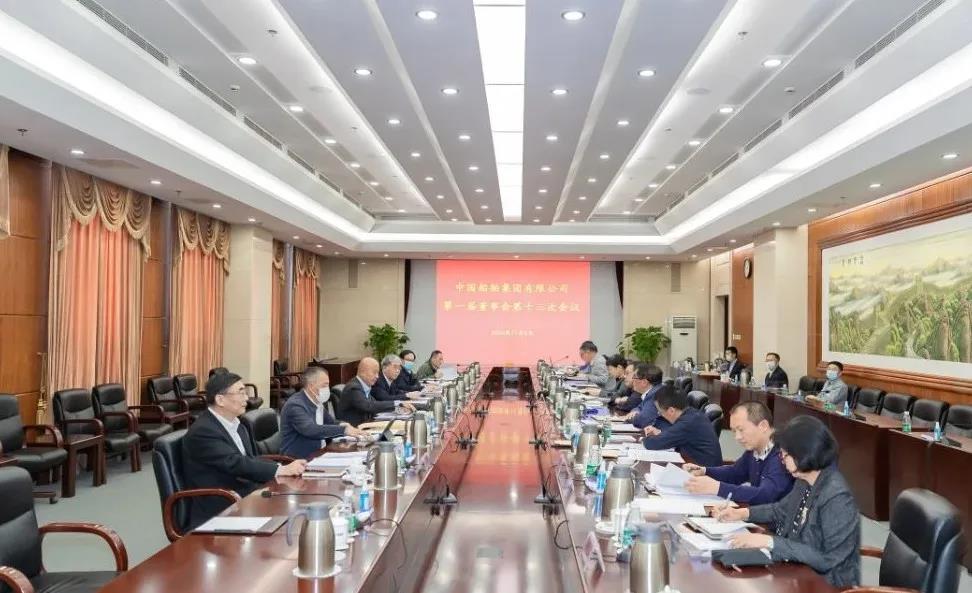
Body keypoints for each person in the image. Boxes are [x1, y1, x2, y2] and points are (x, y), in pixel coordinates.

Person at [715, 415, 860, 588]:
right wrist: (741, 513)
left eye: (785, 455)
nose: (782, 460)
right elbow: (780, 510)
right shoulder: (804, 479)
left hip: (826, 585)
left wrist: (769, 542)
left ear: (804, 453)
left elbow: (830, 560)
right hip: (794, 570)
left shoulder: (837, 497)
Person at [182, 371, 307, 527]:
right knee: (287, 521)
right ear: (220, 400)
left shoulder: (239, 424)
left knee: (295, 509)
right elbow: (235, 463)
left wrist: (281, 470)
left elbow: (251, 459)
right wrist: (281, 470)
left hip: (244, 495)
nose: (246, 398)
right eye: (241, 393)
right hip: (221, 506)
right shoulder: (203, 431)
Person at [684, 402, 794, 504]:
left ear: (763, 426)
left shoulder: (783, 455)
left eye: (741, 429)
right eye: (734, 431)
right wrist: (704, 471)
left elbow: (765, 495)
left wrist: (717, 488)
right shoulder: (754, 449)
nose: (737, 437)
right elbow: (735, 473)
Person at [280, 367, 369, 459]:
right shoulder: (295, 405)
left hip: (320, 453)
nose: (327, 389)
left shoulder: (316, 401)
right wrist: (343, 430)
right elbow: (310, 429)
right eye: (324, 385)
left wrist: (343, 424)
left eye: (328, 385)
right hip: (298, 460)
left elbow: (330, 422)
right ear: (311, 386)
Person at [641, 387, 722, 467]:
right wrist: (660, 433)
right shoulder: (692, 414)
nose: (660, 414)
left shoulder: (687, 423)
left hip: (703, 472)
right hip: (696, 465)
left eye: (660, 412)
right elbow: (677, 434)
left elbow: (651, 443)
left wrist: (644, 439)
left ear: (671, 411)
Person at [336, 357, 415, 426]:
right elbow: (368, 406)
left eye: (377, 373)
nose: (377, 376)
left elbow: (376, 403)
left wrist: (398, 409)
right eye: (374, 372)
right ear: (363, 371)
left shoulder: (364, 386)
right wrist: (397, 403)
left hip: (364, 426)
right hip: (352, 430)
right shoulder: (353, 387)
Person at [625, 364, 668, 430]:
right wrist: (636, 411)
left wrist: (632, 417)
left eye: (634, 377)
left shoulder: (655, 394)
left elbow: (642, 421)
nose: (632, 380)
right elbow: (639, 407)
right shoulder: (652, 392)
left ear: (644, 382)